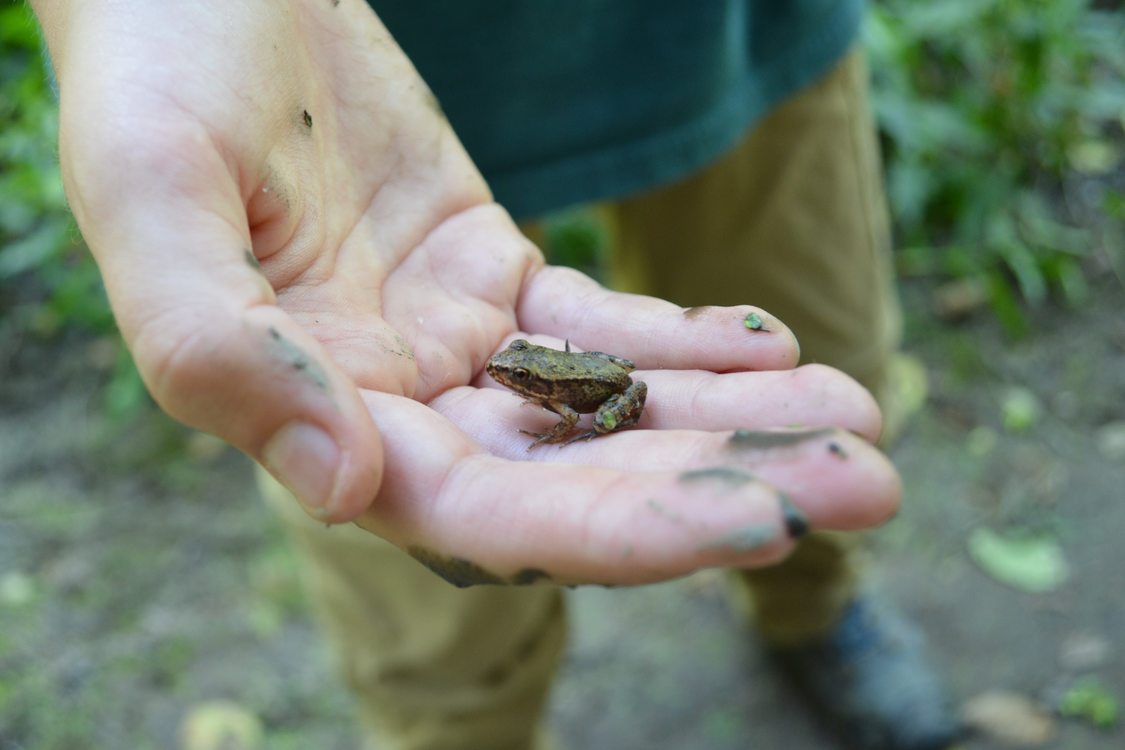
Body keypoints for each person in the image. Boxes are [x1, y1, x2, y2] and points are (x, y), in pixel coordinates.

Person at [28, 0, 957, 748]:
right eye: (520, 381)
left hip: (734, 37)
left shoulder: (562, 384)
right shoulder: (520, 370)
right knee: (399, 511)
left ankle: (814, 605)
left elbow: (621, 390)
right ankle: (460, 728)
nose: (513, 383)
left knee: (809, 371)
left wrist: (577, 415)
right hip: (362, 100)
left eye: (524, 381)